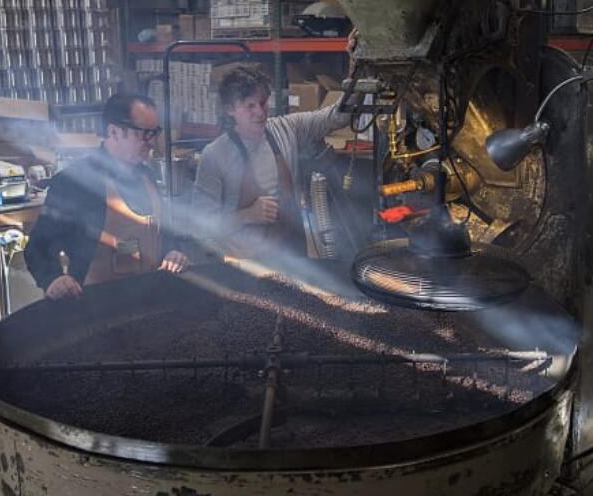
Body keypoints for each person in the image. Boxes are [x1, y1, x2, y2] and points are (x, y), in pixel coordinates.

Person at [192, 38, 355, 259]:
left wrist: (356, 67)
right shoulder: (215, 155)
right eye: (250, 106)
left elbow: (339, 116)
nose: (260, 112)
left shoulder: (287, 129)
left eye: (263, 103)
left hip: (292, 257)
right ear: (230, 109)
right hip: (247, 265)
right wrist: (247, 215)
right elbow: (202, 226)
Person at [25, 92, 189, 300]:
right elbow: (37, 247)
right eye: (143, 133)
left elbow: (163, 233)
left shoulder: (147, 176)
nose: (151, 142)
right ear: (114, 132)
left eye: (154, 132)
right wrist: (52, 279)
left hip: (150, 301)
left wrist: (173, 251)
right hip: (98, 310)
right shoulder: (76, 183)